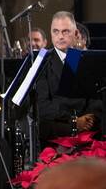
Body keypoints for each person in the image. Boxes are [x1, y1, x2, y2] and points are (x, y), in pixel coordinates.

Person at [36, 11, 102, 143]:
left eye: (65, 31)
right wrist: (74, 121)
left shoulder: (84, 59)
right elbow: (42, 105)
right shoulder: (42, 61)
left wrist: (88, 119)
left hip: (87, 124)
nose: (60, 36)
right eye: (55, 31)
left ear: (76, 33)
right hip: (58, 126)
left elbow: (96, 97)